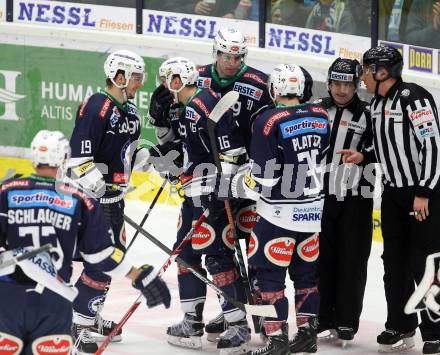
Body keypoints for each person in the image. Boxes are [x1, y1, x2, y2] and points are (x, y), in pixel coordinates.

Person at [0, 130, 170, 355]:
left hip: (8, 299)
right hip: (52, 300)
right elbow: (102, 255)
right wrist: (139, 275)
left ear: (34, 157)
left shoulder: (7, 191)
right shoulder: (79, 199)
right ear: (63, 159)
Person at [340, 45, 440, 354]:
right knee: (393, 264)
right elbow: (383, 148)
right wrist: (362, 155)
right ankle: (400, 326)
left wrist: (424, 192)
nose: (363, 77)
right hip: (393, 194)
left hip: (420, 194)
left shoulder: (414, 97)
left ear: (383, 72)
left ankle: (434, 332)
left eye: (366, 70)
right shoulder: (375, 104)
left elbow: (433, 145)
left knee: (423, 265)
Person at [229, 63, 329, 355]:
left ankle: (276, 340)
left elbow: (263, 178)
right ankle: (308, 335)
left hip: (278, 215)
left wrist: (236, 181)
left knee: (267, 276)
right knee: (306, 276)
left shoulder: (269, 120)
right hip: (312, 213)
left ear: (275, 88)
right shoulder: (321, 115)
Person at [156, 57, 251, 354]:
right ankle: (191, 321)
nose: (164, 86)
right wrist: (170, 163)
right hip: (194, 191)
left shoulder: (201, 106)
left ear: (177, 80)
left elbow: (232, 151)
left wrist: (221, 186)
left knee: (216, 256)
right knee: (184, 253)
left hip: (210, 194)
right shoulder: (194, 105)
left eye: (167, 80)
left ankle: (238, 325)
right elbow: (195, 151)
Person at [66, 49, 152, 353]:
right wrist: (97, 192)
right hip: (91, 202)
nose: (140, 83)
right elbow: (79, 158)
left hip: (114, 200)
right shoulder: (97, 106)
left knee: (111, 260)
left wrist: (147, 157)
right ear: (119, 76)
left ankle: (91, 312)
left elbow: (125, 155)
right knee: (100, 260)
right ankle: (80, 322)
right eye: (137, 77)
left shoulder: (130, 112)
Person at [196, 27, 272, 339]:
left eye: (238, 56)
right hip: (212, 179)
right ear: (216, 52)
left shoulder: (259, 82)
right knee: (218, 249)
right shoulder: (198, 77)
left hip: (249, 179)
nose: (232, 61)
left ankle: (267, 318)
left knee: (254, 251)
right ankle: (234, 310)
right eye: (227, 55)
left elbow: (270, 128)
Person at [315, 58, 374, 346]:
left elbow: (381, 151)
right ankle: (322, 317)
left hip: (356, 199)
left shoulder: (369, 114)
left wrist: (365, 157)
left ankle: (347, 321)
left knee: (353, 261)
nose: (341, 89)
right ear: (329, 83)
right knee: (321, 259)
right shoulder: (315, 109)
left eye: (347, 84)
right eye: (336, 83)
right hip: (320, 197)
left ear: (356, 85)